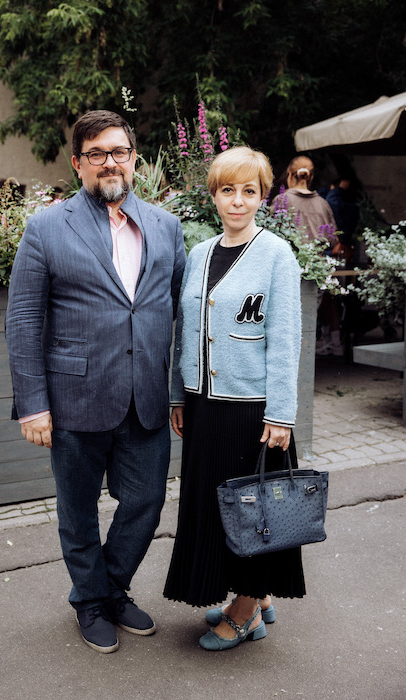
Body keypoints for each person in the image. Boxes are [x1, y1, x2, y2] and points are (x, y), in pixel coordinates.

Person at [5, 110, 186, 654]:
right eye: (97, 153)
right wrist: (32, 404)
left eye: (119, 151)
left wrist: (179, 390)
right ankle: (90, 601)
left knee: (146, 501)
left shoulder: (165, 226)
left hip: (146, 396)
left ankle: (109, 587)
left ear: (134, 158)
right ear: (77, 163)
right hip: (74, 397)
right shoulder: (45, 227)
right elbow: (23, 319)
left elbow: (182, 313)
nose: (110, 162)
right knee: (78, 509)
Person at [163, 146, 303, 651]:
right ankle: (256, 599)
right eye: (228, 190)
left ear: (263, 197)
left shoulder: (277, 254)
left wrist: (281, 414)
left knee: (251, 510)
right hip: (204, 405)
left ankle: (245, 612)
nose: (238, 201)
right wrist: (179, 395)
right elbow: (185, 331)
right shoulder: (199, 253)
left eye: (249, 191)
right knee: (215, 506)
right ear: (214, 196)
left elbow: (285, 339)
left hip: (252, 410)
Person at [274, 156, 343, 356]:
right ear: (310, 176)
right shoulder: (323, 204)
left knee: (286, 324)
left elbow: (271, 234)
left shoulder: (282, 200)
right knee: (307, 321)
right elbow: (333, 241)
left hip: (287, 271)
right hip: (316, 272)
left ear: (290, 174)